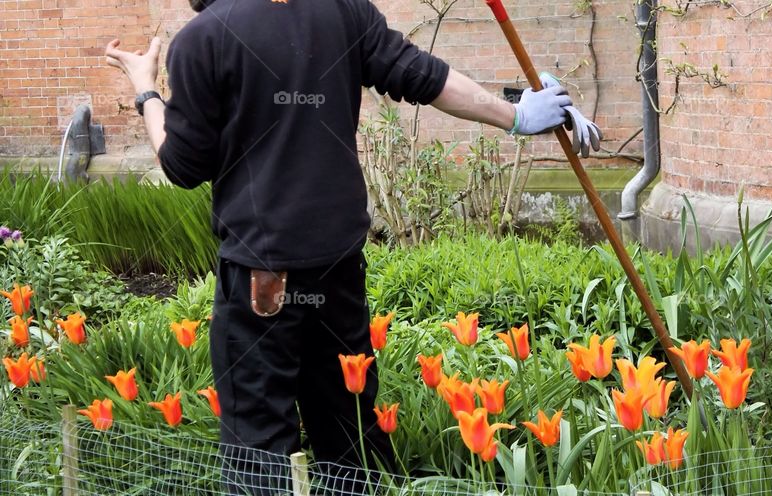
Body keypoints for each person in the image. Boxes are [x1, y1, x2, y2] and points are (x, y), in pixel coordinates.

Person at [104, 0, 600, 493]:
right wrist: (515, 115)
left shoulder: (202, 39)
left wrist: (146, 89)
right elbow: (425, 77)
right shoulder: (343, 10)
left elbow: (183, 167)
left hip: (263, 279)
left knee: (259, 449)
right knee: (349, 438)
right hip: (339, 268)